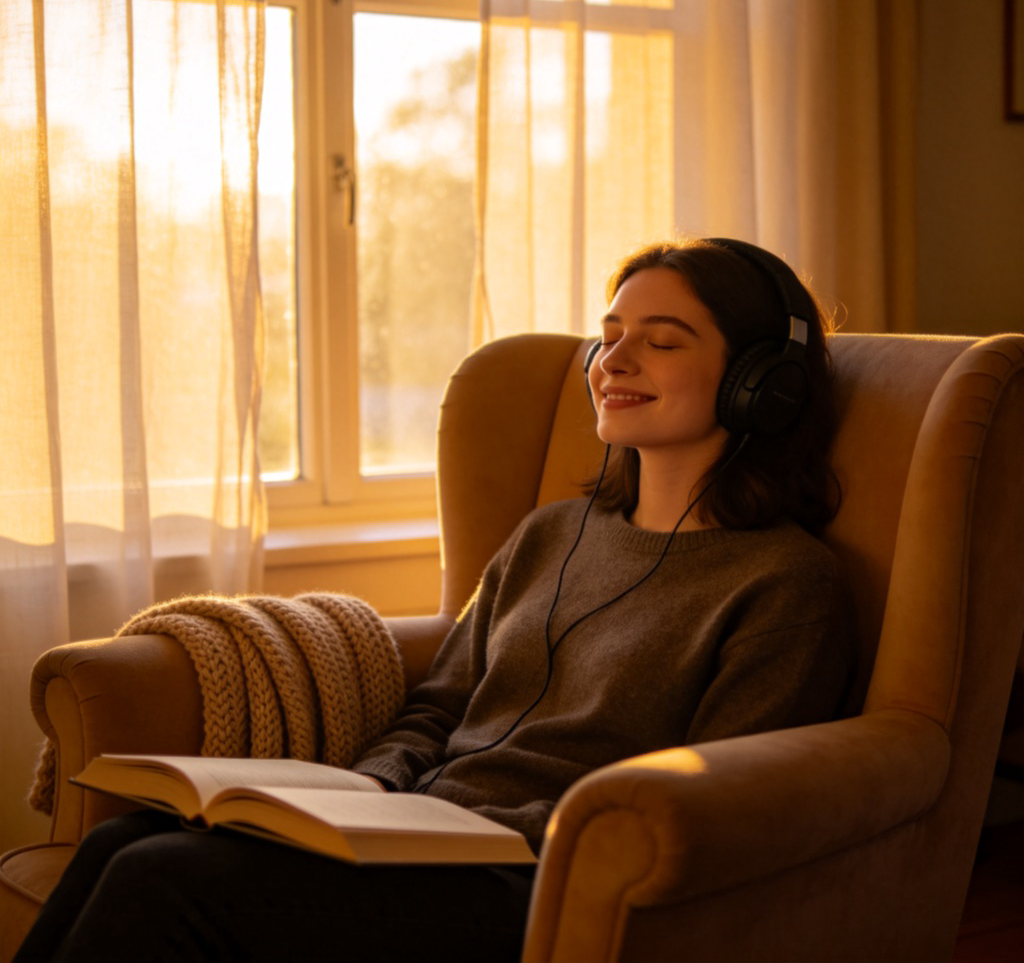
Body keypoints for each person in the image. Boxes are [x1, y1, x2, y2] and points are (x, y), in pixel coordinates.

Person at [15, 237, 852, 962]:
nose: (614, 362)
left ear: (759, 384)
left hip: (541, 882)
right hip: (416, 837)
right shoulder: (550, 534)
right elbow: (441, 705)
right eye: (609, 337)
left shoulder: (785, 584)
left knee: (165, 881)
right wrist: (370, 791)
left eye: (661, 342)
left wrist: (493, 830)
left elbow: (722, 808)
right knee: (124, 841)